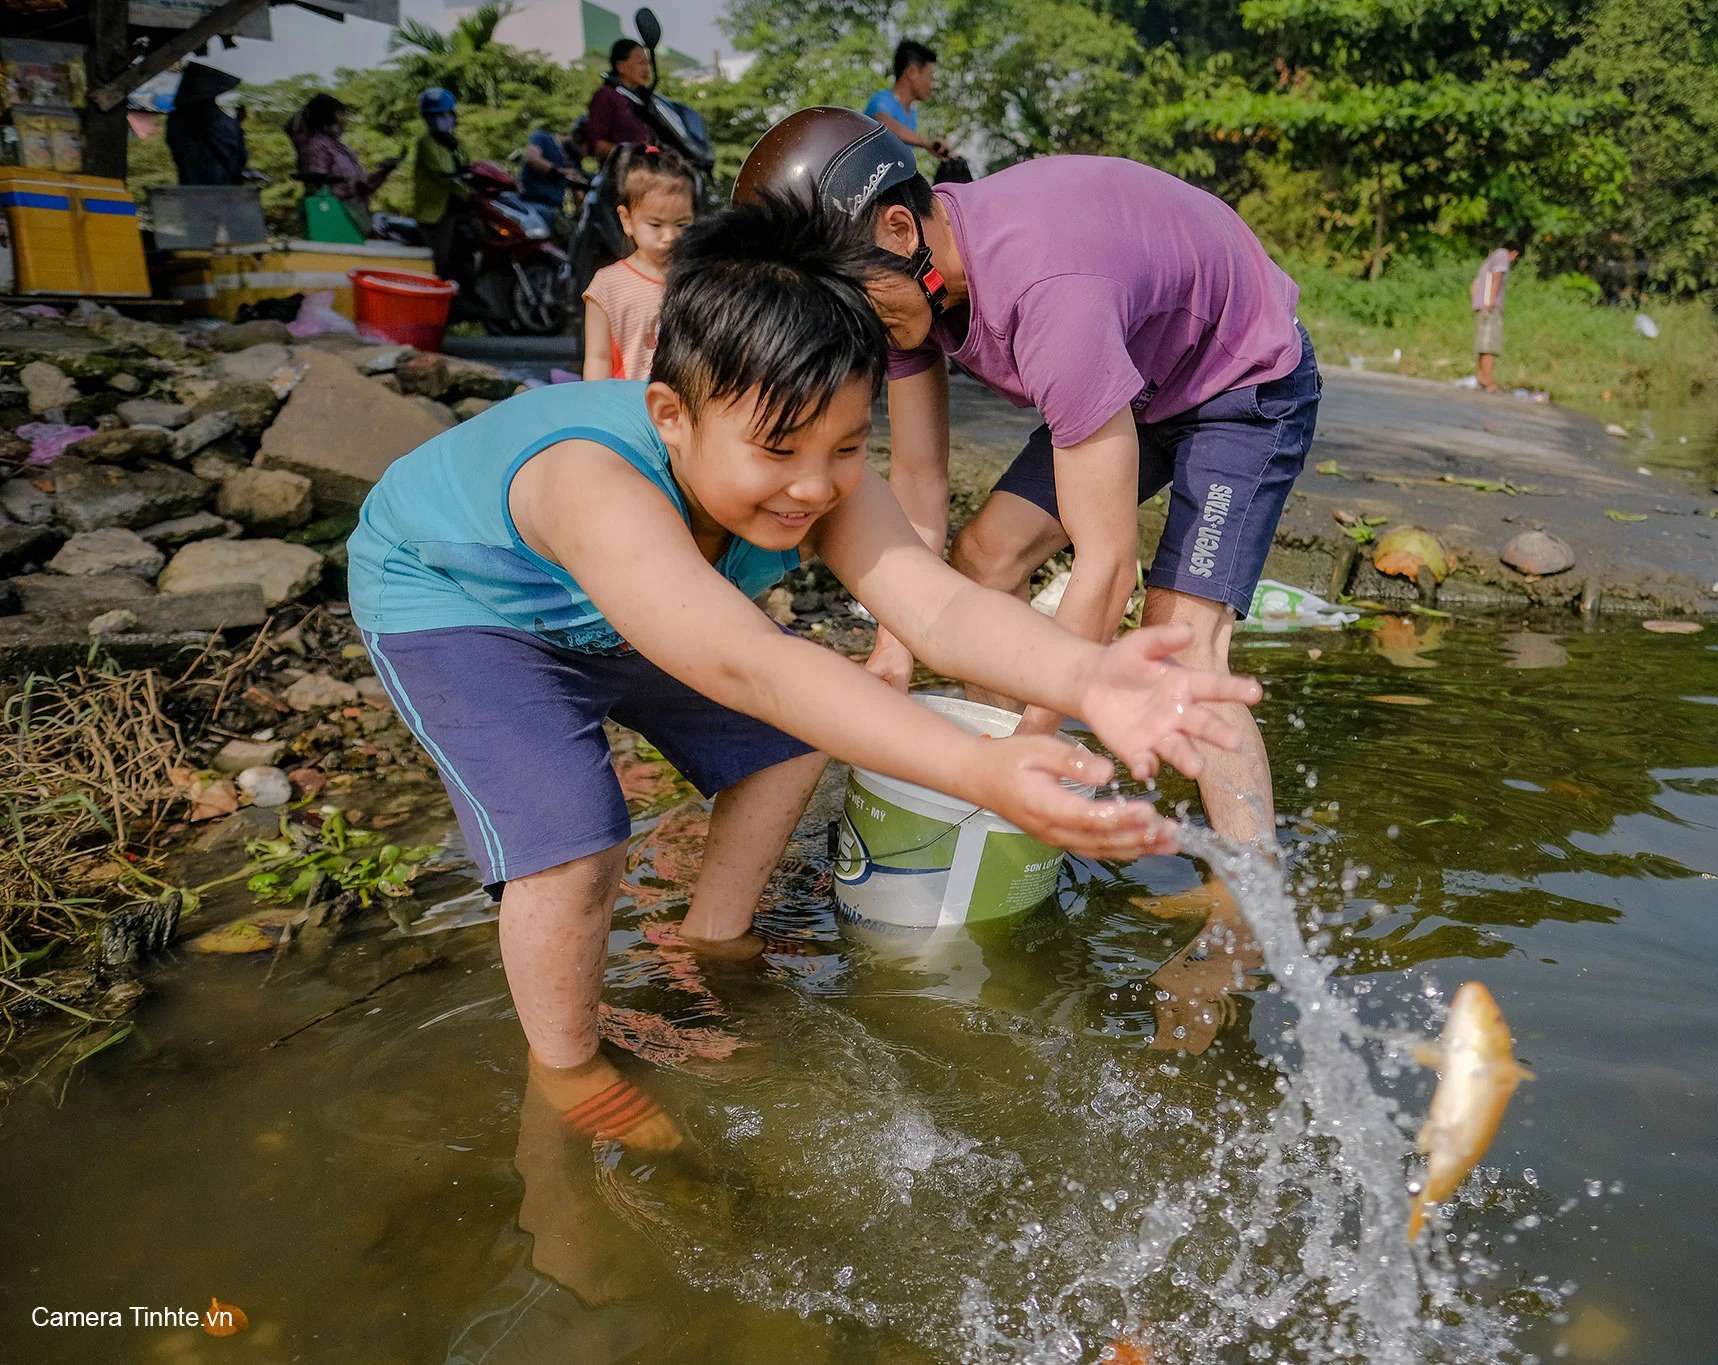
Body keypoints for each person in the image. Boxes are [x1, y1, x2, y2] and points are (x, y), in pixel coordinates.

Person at [346, 194, 1260, 1136]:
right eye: (779, 450)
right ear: (670, 414)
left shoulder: (815, 472)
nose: (814, 487)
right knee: (575, 843)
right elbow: (751, 664)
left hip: (636, 608)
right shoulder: (596, 484)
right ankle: (567, 1072)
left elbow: (938, 605)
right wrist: (980, 769)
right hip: (467, 607)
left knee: (787, 740)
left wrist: (1086, 676)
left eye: (847, 446)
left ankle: (713, 939)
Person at [735, 109, 1318, 855]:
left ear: (899, 231)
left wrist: (1032, 749)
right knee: (986, 557)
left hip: (1239, 380)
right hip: (1134, 373)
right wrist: (893, 649)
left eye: (849, 309)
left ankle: (1246, 896)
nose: (854, 338)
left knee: (1180, 649)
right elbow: (917, 478)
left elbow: (1106, 565)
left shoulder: (1049, 294)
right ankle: (1031, 798)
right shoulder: (908, 292)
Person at [583, 144, 695, 381]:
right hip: (626, 412)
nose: (670, 237)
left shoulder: (698, 279)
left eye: (682, 224)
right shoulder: (608, 285)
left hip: (683, 413)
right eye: (655, 225)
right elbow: (598, 358)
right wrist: (594, 410)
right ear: (627, 219)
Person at [288, 94, 399, 222]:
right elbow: (317, 186)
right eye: (340, 114)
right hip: (336, 217)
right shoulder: (318, 146)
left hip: (356, 214)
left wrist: (384, 171)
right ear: (327, 117)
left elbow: (363, 187)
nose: (344, 119)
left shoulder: (341, 148)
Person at [413, 87, 471, 286]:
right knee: (441, 261)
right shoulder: (426, 143)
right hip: (435, 214)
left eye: (443, 114)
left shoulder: (457, 144)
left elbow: (468, 168)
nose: (439, 119)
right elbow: (444, 175)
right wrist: (468, 191)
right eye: (433, 116)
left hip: (458, 209)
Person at [862, 39, 952, 162]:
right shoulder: (882, 100)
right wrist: (926, 143)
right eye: (930, 76)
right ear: (912, 72)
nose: (932, 84)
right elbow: (884, 124)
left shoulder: (912, 114)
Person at [166, 62, 247, 187]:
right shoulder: (212, 118)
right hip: (219, 187)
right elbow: (235, 154)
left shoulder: (177, 119)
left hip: (195, 189)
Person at [587, 39, 656, 162]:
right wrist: (633, 153)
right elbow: (597, 145)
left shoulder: (648, 99)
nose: (647, 69)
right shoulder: (606, 95)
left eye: (648, 63)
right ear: (621, 66)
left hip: (652, 170)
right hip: (621, 174)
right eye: (641, 63)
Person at [1471, 243, 1519, 392]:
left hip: (1481, 306)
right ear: (1515, 253)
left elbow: (1474, 284)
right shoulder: (1502, 255)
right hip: (1490, 308)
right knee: (1489, 346)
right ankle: (1488, 381)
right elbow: (1498, 276)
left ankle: (1481, 378)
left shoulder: (1489, 259)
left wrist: (1476, 302)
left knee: (1482, 345)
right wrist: (1490, 301)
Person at [520, 118, 588, 218]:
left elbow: (579, 195)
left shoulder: (574, 159)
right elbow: (532, 158)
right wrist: (559, 172)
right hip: (532, 205)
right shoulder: (542, 138)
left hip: (555, 210)